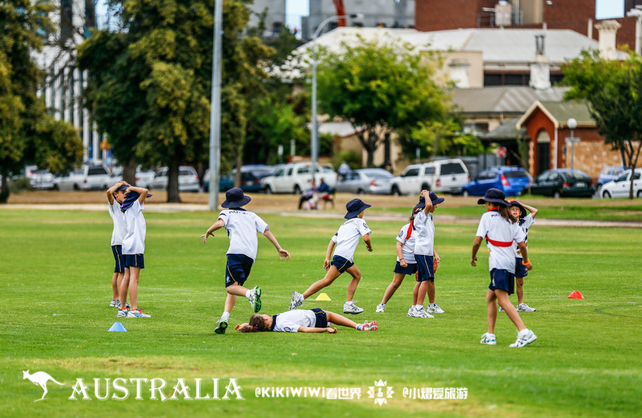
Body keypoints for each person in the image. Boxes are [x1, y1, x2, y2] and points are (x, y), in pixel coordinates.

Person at [202, 187, 290, 335]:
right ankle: (224, 318)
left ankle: (251, 294)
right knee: (235, 287)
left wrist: (208, 231)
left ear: (228, 202)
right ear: (242, 201)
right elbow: (266, 231)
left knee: (230, 287)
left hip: (235, 252)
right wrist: (279, 248)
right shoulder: (252, 215)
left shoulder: (226, 212)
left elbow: (220, 224)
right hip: (250, 256)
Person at [471, 188, 537, 348]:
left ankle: (524, 332)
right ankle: (490, 335)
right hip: (510, 263)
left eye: (486, 202)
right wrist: (526, 261)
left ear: (490, 203)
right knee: (490, 298)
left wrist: (473, 256)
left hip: (498, 264)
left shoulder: (487, 217)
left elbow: (477, 241)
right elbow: (521, 244)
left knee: (503, 300)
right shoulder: (511, 220)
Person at [289, 199, 373, 314]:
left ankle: (349, 304)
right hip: (344, 257)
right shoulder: (359, 221)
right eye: (363, 210)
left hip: (342, 256)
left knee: (357, 275)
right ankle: (300, 297)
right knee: (327, 281)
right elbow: (366, 237)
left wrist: (327, 258)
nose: (364, 212)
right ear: (359, 212)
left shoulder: (343, 225)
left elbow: (332, 241)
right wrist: (369, 246)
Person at [375, 206, 419, 314]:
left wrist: (435, 254)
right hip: (405, 259)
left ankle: (415, 307)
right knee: (396, 283)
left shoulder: (424, 229)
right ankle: (382, 304)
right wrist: (402, 259)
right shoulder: (407, 228)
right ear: (414, 216)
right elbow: (399, 244)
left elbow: (427, 244)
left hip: (419, 259)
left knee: (422, 282)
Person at [118, 185, 152, 319]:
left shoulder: (127, 210)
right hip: (135, 246)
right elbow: (144, 191)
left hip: (127, 246)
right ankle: (133, 310)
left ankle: (122, 309)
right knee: (134, 279)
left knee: (127, 277)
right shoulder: (134, 207)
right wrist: (132, 188)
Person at [410, 190, 444, 318]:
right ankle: (419, 308)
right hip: (423, 252)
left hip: (426, 252)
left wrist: (434, 252)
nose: (435, 206)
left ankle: (414, 308)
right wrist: (427, 196)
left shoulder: (427, 216)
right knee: (426, 279)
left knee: (422, 280)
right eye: (435, 204)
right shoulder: (421, 215)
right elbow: (428, 206)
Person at [502, 200, 539, 312]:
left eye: (516, 209)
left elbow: (535, 210)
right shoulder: (507, 223)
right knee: (506, 281)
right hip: (509, 255)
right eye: (512, 209)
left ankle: (521, 304)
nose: (514, 211)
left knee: (520, 281)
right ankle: (504, 304)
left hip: (520, 257)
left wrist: (521, 204)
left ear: (520, 212)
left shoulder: (524, 222)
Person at [235, 309, 379, 333]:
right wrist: (325, 329)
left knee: (329, 318)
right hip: (314, 317)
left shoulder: (272, 325)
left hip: (311, 317)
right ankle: (359, 326)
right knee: (329, 315)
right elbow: (304, 329)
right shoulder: (281, 323)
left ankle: (359, 326)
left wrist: (243, 326)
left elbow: (254, 326)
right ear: (265, 318)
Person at [106, 181, 129, 309]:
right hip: (118, 242)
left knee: (117, 270)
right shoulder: (114, 205)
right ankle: (120, 299)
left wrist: (128, 186)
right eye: (123, 193)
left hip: (122, 242)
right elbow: (108, 192)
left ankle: (115, 298)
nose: (125, 195)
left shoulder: (125, 204)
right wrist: (119, 184)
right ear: (116, 194)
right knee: (122, 272)